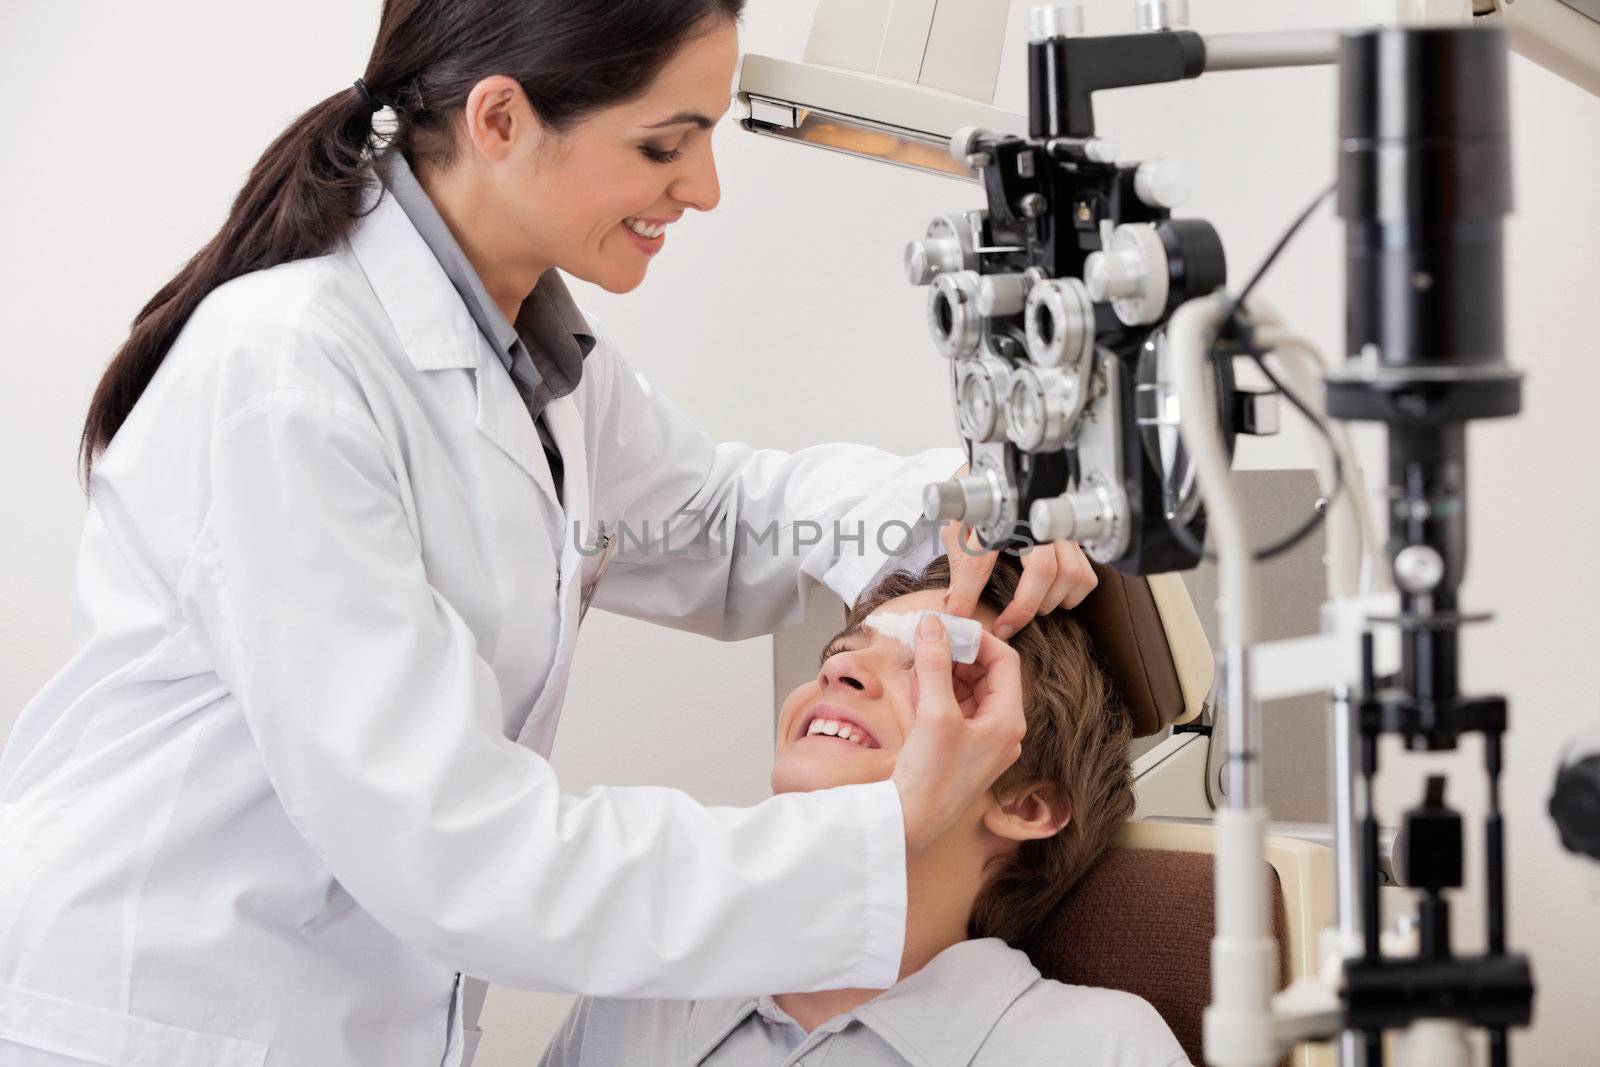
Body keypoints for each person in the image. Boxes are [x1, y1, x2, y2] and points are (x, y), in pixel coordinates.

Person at [0, 2, 1100, 1066]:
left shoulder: (545, 370)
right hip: (155, 1007)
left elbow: (716, 520)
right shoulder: (287, 373)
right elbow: (458, 848)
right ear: (499, 120)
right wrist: (880, 831)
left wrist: (969, 500)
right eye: (665, 143)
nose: (705, 189)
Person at [539, 554, 1189, 1066]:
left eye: (940, 670)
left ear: (1026, 802)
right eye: (841, 651)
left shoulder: (1098, 1049)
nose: (839, 670)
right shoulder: (640, 998)